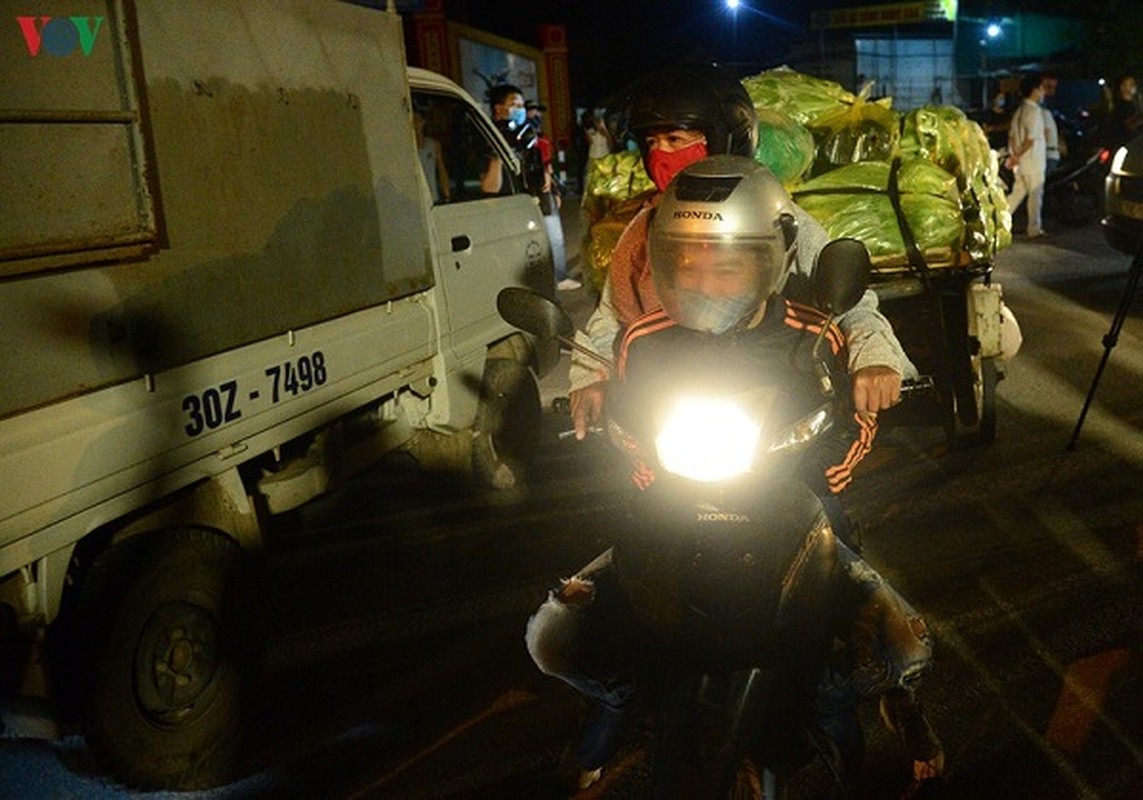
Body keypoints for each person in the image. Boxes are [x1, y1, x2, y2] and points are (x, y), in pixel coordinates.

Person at [527, 157, 943, 794]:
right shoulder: (643, 338)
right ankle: (617, 700)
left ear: (772, 260)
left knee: (897, 640)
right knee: (556, 632)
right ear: (661, 262)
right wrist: (621, 429)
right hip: (678, 494)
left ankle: (859, 699)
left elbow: (850, 429)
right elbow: (630, 421)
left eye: (729, 263)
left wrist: (824, 468)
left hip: (791, 500)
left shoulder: (812, 334)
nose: (705, 278)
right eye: (686, 262)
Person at [568, 62, 914, 444]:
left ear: (726, 137)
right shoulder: (645, 230)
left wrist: (874, 358)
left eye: (676, 139)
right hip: (677, 406)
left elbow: (852, 304)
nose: (661, 154)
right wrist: (591, 377)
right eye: (652, 143)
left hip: (777, 407)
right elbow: (611, 317)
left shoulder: (771, 219)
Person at [527, 100, 580, 291]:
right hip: (527, 196)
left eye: (538, 114)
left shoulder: (543, 141)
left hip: (545, 193)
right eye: (532, 113)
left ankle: (559, 276)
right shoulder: (519, 142)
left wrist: (555, 191)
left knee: (555, 237)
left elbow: (548, 167)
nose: (536, 117)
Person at [1005, 73, 1048, 238]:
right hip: (1033, 161)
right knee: (1035, 196)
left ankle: (998, 221)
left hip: (1020, 163)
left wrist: (1015, 155)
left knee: (1016, 195)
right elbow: (1031, 140)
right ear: (1035, 90)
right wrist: (1019, 155)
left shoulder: (1019, 110)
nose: (1043, 92)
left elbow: (1012, 136)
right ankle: (1034, 229)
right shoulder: (1034, 111)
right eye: (1042, 89)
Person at [413, 109, 450, 204]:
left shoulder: (433, 145)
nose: (415, 123)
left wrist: (447, 195)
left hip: (432, 197)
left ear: (423, 122)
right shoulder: (407, 147)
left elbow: (441, 169)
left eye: (417, 120)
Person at [1107, 74, 1143, 151]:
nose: (1133, 87)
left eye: (1133, 84)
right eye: (1130, 84)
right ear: (1122, 87)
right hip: (1124, 146)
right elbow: (1128, 125)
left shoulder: (1132, 104)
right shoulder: (1123, 106)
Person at [581, 111, 614, 191]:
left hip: (604, 155)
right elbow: (590, 143)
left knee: (603, 175)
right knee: (591, 176)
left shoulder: (605, 130)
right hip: (593, 155)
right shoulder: (590, 131)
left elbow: (609, 141)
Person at [1041, 73, 1062, 177]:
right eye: (1049, 88)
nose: (1052, 92)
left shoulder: (1043, 110)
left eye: (1053, 88)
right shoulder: (1041, 108)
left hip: (1047, 156)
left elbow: (1045, 134)